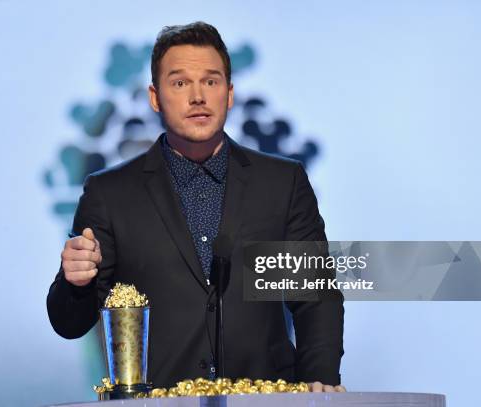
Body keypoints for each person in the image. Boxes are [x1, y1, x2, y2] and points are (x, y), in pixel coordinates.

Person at [47, 21, 345, 392]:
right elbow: (70, 323)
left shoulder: (281, 184)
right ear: (155, 98)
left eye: (211, 81)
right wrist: (74, 282)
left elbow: (314, 297)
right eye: (180, 83)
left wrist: (319, 388)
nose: (198, 96)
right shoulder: (110, 193)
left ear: (230, 93)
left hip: (266, 399)